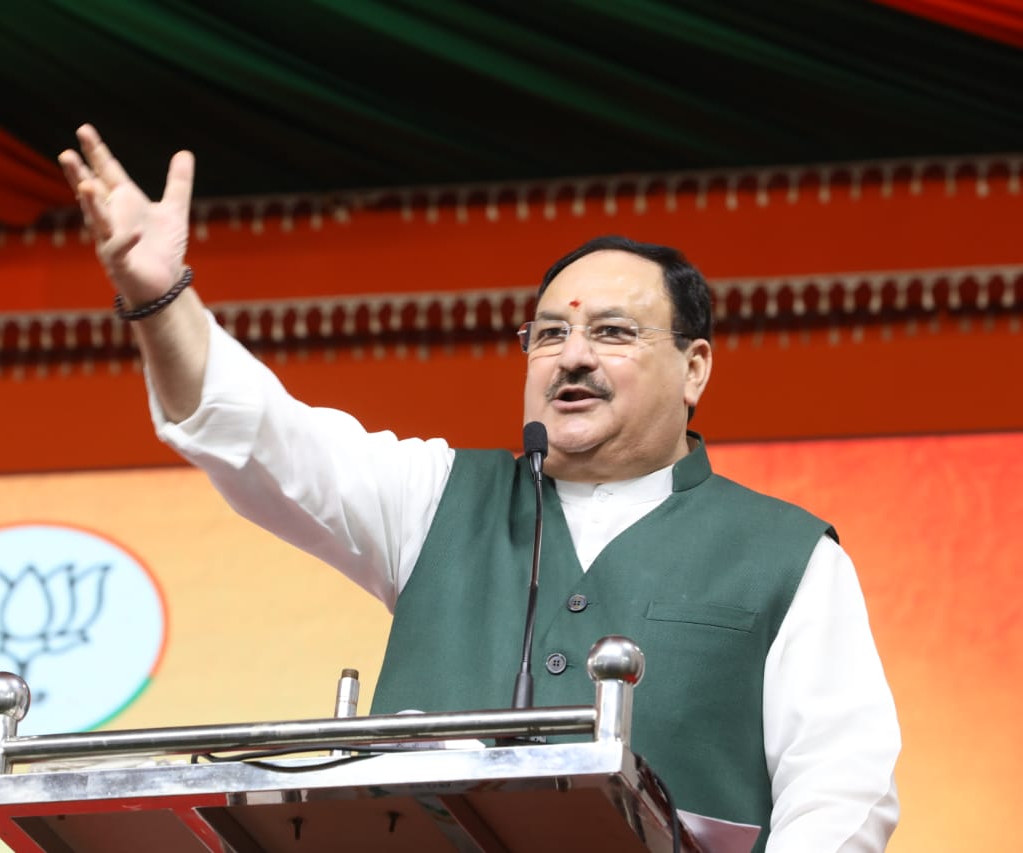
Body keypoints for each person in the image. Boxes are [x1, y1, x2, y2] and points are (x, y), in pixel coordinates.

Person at [59, 125, 900, 852]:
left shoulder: (788, 556)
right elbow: (261, 436)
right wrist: (160, 298)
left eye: (611, 332)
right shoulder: (434, 498)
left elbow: (842, 791)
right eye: (549, 333)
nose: (571, 356)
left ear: (695, 367)